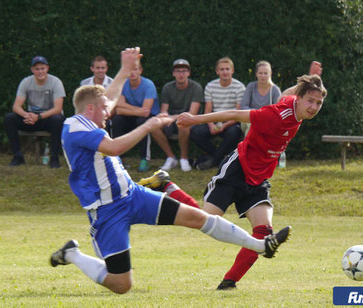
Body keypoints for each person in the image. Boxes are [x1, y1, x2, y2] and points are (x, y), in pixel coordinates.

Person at [49, 47, 291, 295]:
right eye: (104, 109)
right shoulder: (75, 127)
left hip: (132, 194)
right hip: (107, 210)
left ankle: (261, 245)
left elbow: (106, 99)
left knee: (198, 218)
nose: (108, 112)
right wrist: (149, 124)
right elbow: (113, 147)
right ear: (90, 109)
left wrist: (124, 69)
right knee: (121, 285)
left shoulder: (88, 117)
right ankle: (73, 254)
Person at [177, 73, 327, 290]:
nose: (314, 107)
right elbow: (236, 114)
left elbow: (286, 93)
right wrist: (195, 119)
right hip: (237, 170)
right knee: (203, 220)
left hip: (258, 179)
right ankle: (168, 186)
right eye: (310, 101)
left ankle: (229, 283)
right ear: (300, 98)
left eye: (319, 103)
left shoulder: (294, 104)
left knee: (264, 231)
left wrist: (310, 82)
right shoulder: (276, 114)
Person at [4, 56, 66, 168]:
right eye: (37, 69)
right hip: (31, 118)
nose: (40, 71)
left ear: (47, 68)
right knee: (9, 118)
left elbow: (58, 108)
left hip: (48, 118)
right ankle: (18, 157)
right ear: (32, 70)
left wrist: (39, 117)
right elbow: (16, 106)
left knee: (58, 120)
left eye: (42, 68)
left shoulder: (56, 82)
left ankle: (54, 158)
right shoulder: (26, 82)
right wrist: (26, 115)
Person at [190, 57, 245, 170]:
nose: (225, 72)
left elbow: (239, 114)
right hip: (214, 118)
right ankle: (220, 158)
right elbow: (207, 111)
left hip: (231, 121)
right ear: (217, 71)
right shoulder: (211, 86)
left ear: (232, 70)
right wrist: (211, 125)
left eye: (227, 69)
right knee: (195, 132)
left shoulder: (239, 87)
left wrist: (224, 125)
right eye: (222, 69)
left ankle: (213, 160)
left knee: (235, 132)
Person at [150, 59, 204, 172]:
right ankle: (171, 157)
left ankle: (183, 158)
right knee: (153, 125)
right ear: (173, 73)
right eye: (178, 71)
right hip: (171, 120)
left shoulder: (196, 87)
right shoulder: (167, 88)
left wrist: (173, 117)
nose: (181, 74)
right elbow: (164, 110)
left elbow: (192, 113)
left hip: (190, 120)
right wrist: (163, 117)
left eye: (184, 71)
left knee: (183, 123)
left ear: (188, 73)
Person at [111, 59, 159, 172]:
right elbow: (118, 108)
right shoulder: (123, 84)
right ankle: (117, 158)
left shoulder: (148, 85)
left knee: (142, 122)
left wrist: (126, 107)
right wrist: (137, 110)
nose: (132, 72)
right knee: (116, 120)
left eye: (135, 69)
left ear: (140, 71)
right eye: (130, 69)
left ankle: (144, 159)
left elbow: (146, 112)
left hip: (147, 117)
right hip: (133, 114)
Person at [240, 60, 281, 135]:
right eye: (260, 73)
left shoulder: (275, 90)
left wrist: (263, 116)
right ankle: (249, 146)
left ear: (270, 74)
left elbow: (278, 111)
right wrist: (257, 114)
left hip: (267, 121)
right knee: (252, 125)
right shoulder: (251, 87)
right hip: (249, 119)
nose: (263, 76)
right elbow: (243, 106)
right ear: (256, 74)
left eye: (266, 73)